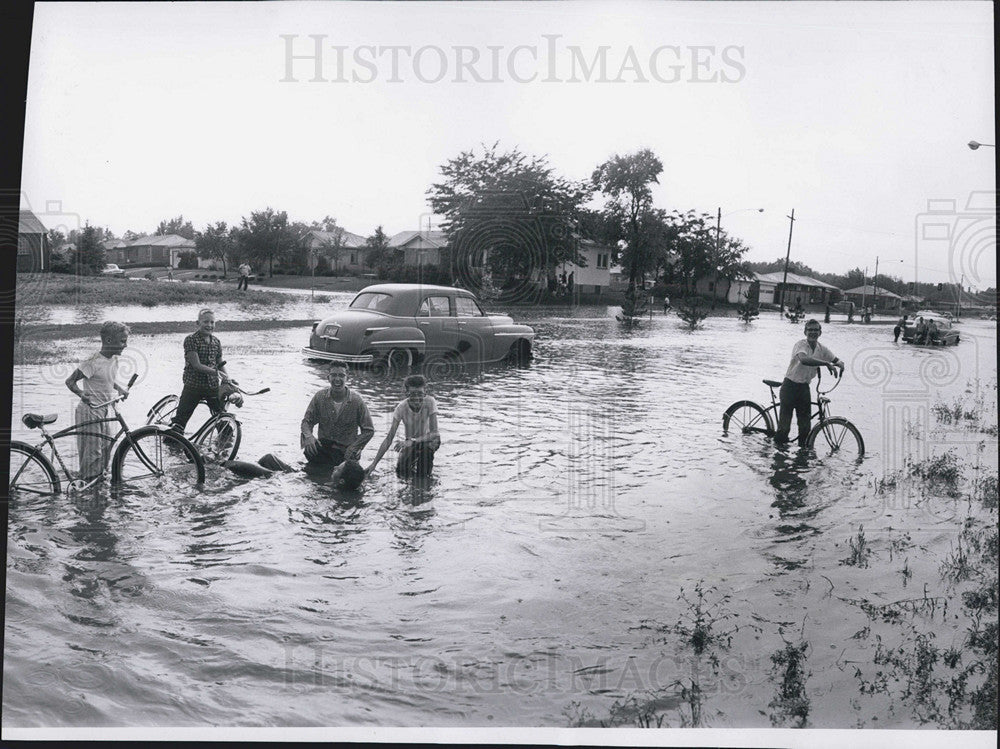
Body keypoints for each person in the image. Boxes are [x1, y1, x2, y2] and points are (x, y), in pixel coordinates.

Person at [65, 321, 131, 479]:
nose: (126, 345)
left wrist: (119, 388)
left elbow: (105, 378)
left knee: (107, 448)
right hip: (89, 411)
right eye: (122, 341)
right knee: (92, 453)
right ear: (108, 341)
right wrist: (81, 394)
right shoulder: (92, 361)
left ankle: (98, 484)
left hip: (104, 409)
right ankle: (86, 486)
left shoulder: (114, 358)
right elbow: (70, 381)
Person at [773, 319, 845, 448]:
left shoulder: (822, 349)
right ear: (805, 332)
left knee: (805, 428)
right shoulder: (800, 345)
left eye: (815, 330)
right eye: (810, 330)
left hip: (804, 388)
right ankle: (778, 459)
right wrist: (826, 363)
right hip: (789, 387)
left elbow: (835, 359)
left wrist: (840, 364)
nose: (813, 333)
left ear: (820, 332)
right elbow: (804, 359)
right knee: (784, 429)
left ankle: (802, 460)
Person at [300, 362, 375, 471]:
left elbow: (369, 430)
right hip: (323, 449)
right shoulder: (319, 397)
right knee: (310, 456)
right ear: (328, 378)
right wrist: (308, 437)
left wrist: (354, 447)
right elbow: (306, 422)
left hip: (345, 452)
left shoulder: (357, 401)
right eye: (334, 375)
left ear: (347, 378)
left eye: (341, 375)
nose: (337, 379)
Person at [169, 309, 232, 435]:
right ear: (198, 323)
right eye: (205, 322)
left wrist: (227, 378)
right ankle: (171, 443)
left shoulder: (216, 342)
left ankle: (225, 447)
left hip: (212, 386)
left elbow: (220, 362)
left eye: (212, 322)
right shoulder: (191, 340)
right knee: (179, 423)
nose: (209, 325)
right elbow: (196, 365)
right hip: (193, 385)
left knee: (223, 421)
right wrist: (217, 373)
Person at [366, 374, 441, 478]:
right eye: (412, 394)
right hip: (410, 441)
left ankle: (425, 483)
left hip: (429, 440)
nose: (416, 398)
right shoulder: (401, 408)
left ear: (425, 393)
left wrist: (413, 441)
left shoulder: (430, 402)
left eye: (420, 394)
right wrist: (374, 464)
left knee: (425, 456)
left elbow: (434, 433)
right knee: (401, 471)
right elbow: (389, 438)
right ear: (406, 393)